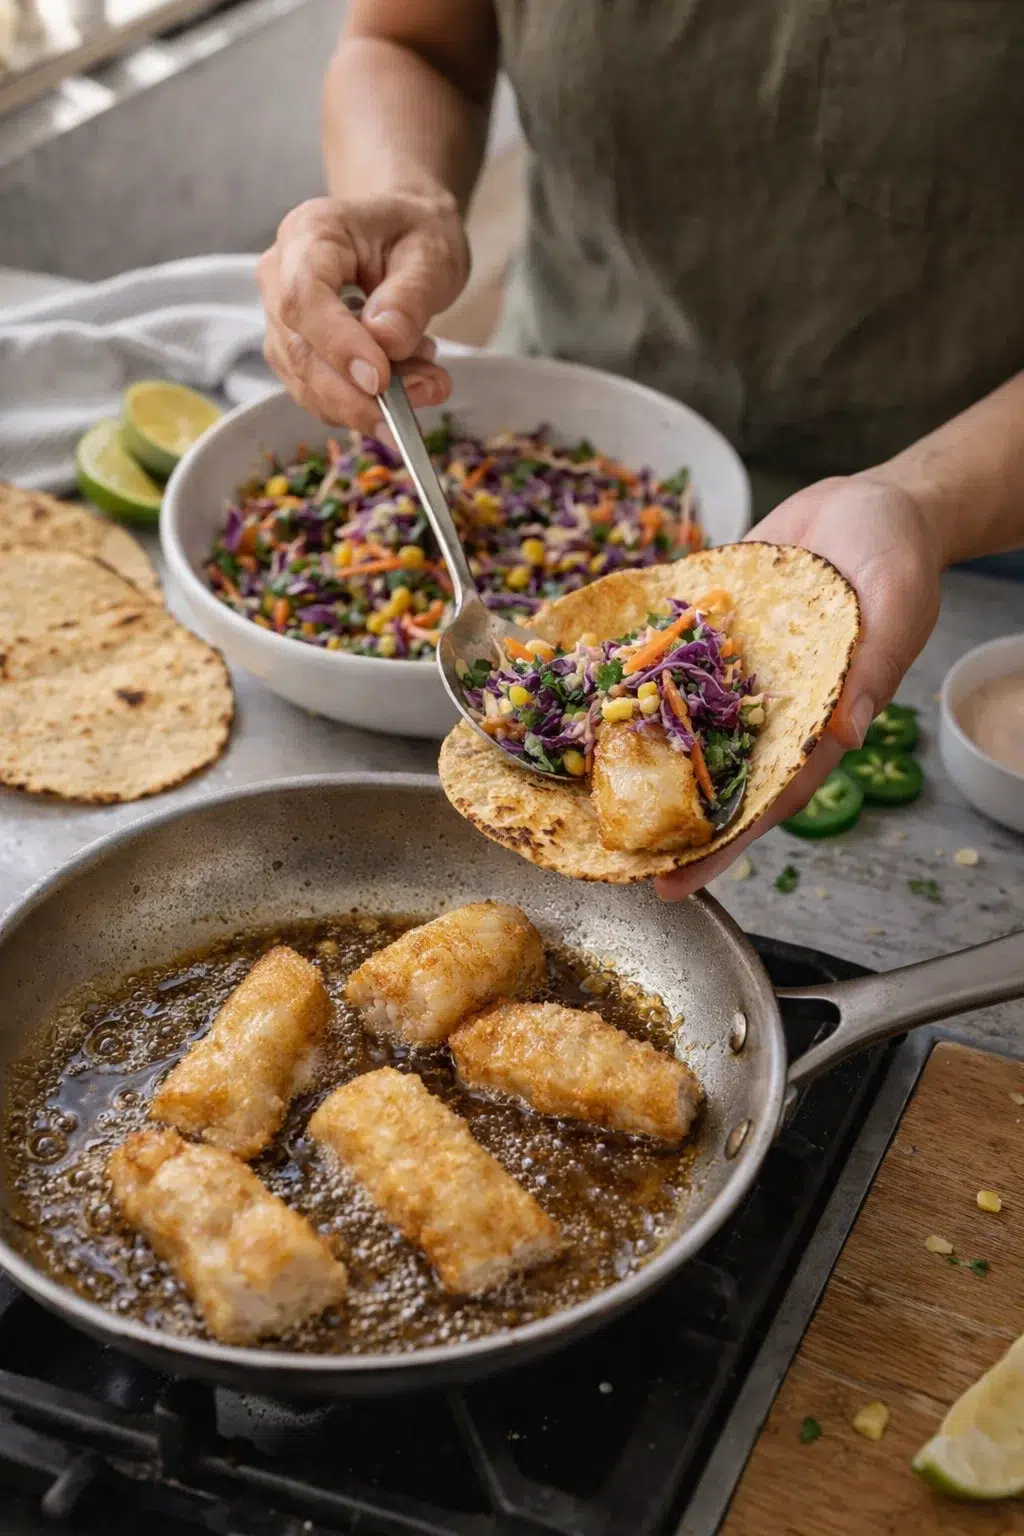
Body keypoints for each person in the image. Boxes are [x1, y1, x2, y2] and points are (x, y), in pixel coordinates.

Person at [257, 1, 1024, 897]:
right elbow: (410, 42)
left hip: (976, 495)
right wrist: (404, 194)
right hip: (580, 407)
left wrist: (927, 500)